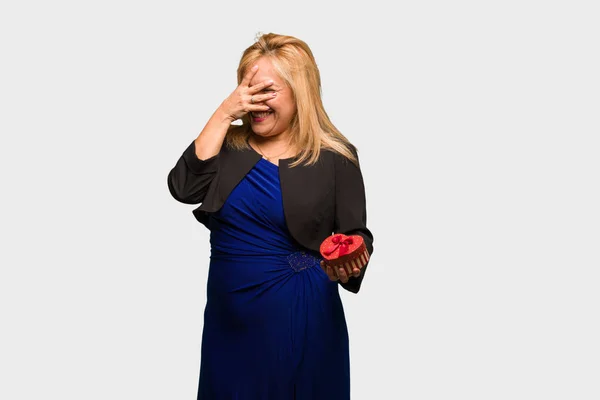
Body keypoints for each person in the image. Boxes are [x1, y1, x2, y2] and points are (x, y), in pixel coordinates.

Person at [167, 32, 374, 400]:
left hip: (303, 317)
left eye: (267, 91)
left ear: (301, 92)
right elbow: (183, 188)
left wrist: (350, 260)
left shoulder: (336, 157)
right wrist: (223, 114)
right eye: (247, 90)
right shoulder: (225, 147)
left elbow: (356, 234)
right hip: (229, 323)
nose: (255, 102)